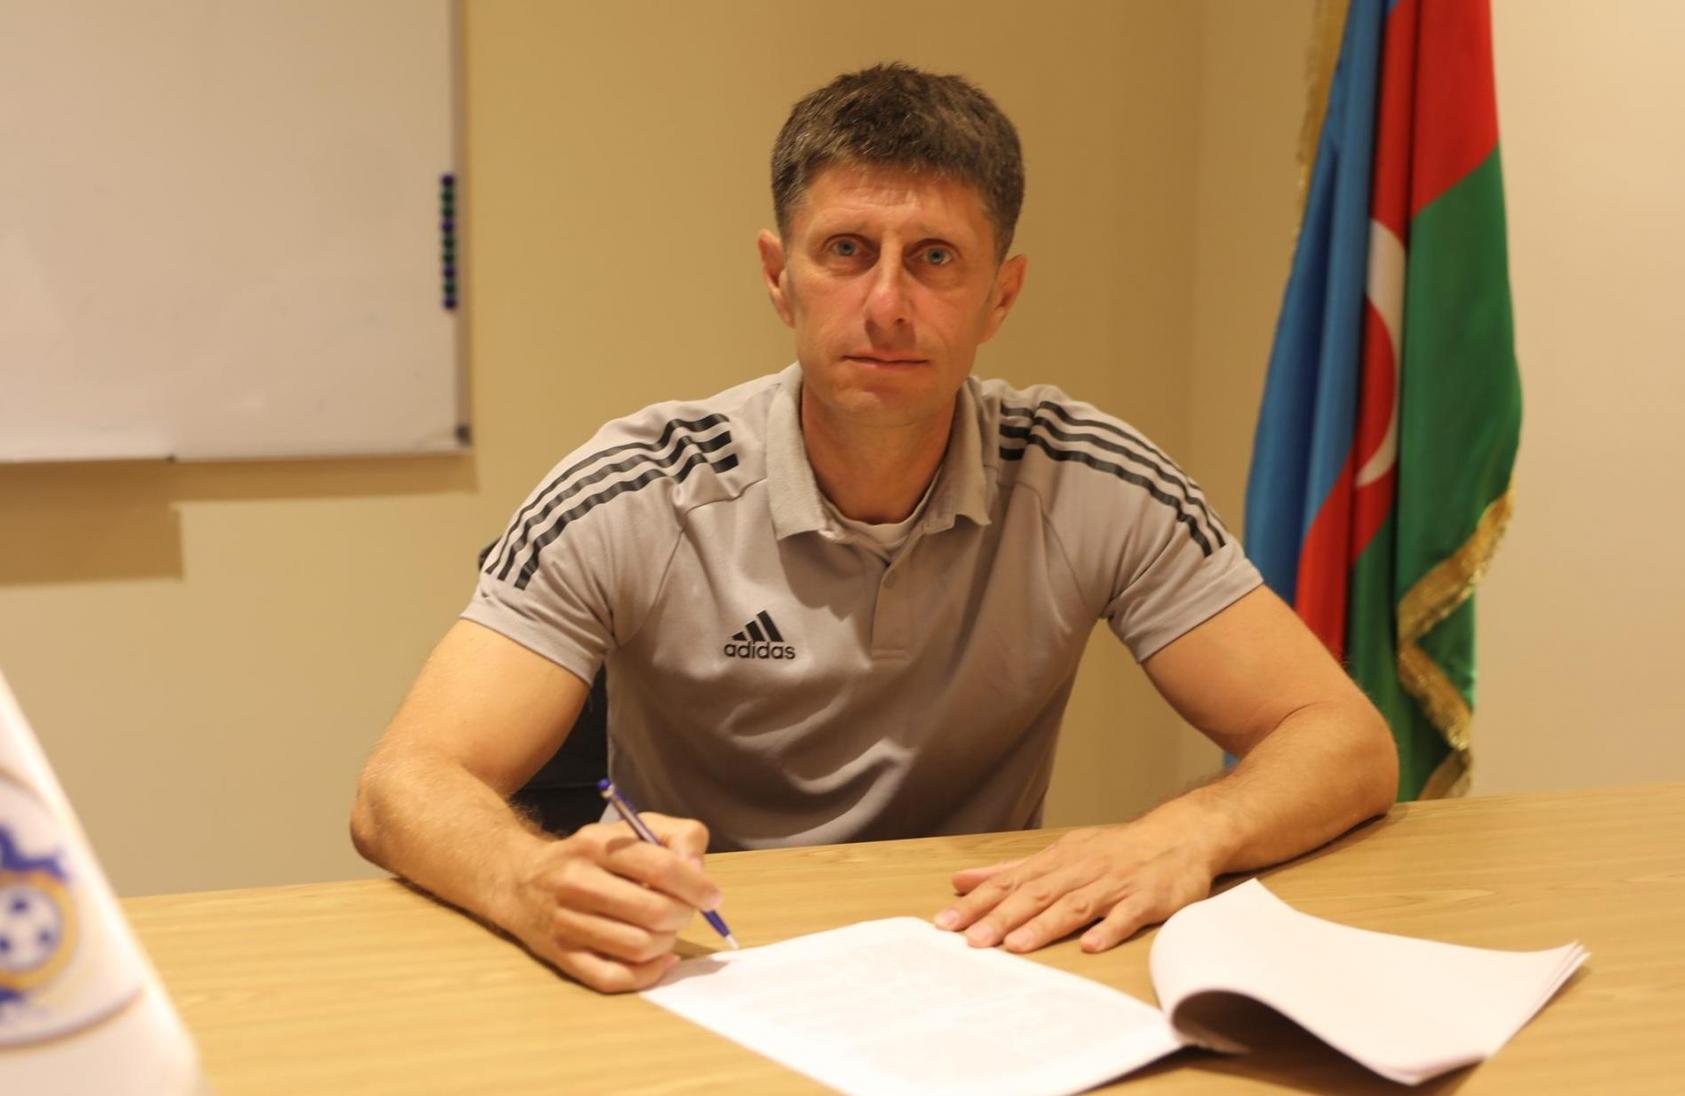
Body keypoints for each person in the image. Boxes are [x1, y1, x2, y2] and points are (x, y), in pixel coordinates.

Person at [351, 63, 1397, 994]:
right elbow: (402, 783)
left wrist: (1187, 831)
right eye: (846, 251)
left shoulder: (1089, 478)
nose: (887, 303)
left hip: (977, 959)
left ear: (1000, 296)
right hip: (705, 962)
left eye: (935, 258)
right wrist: (532, 878)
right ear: (779, 276)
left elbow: (1343, 739)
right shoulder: (637, 488)